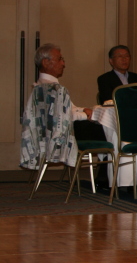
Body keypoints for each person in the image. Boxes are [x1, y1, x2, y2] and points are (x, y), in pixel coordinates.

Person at [34, 43, 109, 182]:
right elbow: (61, 116)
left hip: (61, 130)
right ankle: (109, 176)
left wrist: (83, 110)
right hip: (65, 133)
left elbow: (67, 108)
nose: (63, 63)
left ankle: (107, 175)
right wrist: (85, 115)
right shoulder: (50, 88)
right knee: (112, 130)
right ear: (46, 62)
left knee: (107, 127)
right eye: (59, 59)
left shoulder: (44, 85)